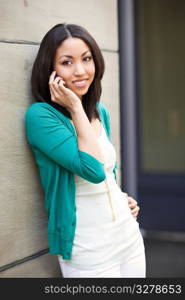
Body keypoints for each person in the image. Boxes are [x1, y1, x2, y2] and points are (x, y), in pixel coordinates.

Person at [25, 23, 146, 278]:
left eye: (86, 59)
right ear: (51, 70)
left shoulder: (99, 111)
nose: (80, 71)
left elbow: (107, 172)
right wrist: (75, 107)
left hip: (128, 238)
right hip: (88, 251)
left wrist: (120, 198)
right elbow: (92, 170)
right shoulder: (41, 117)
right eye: (67, 62)